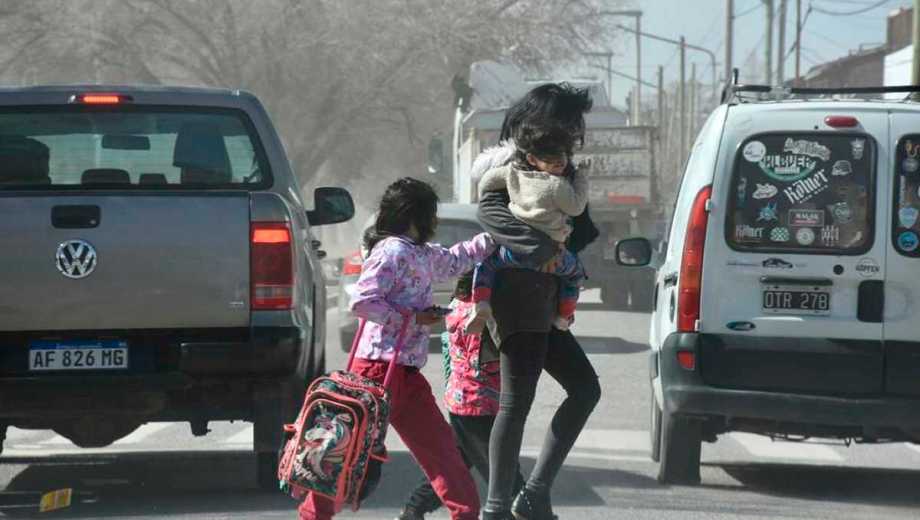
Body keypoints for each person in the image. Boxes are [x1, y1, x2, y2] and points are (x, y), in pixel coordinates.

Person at [298, 177, 494, 520]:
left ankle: (466, 512)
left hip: (404, 373)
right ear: (414, 215)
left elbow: (454, 260)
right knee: (341, 455)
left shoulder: (418, 253)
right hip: (376, 371)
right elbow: (362, 301)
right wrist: (411, 319)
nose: (434, 222)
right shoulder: (391, 250)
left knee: (442, 451)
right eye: (430, 214)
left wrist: (494, 238)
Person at [475, 83, 602, 520]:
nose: (573, 135)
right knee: (515, 403)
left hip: (544, 301)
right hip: (515, 299)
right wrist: (550, 252)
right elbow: (491, 215)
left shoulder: (558, 175)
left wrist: (568, 198)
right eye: (567, 124)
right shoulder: (508, 172)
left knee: (584, 389)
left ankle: (534, 493)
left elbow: (582, 231)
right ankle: (496, 506)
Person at [396, 271, 525, 520]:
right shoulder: (480, 316)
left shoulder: (456, 306)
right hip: (480, 404)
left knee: (453, 464)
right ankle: (522, 509)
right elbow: (493, 356)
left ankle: (413, 509)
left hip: (461, 400)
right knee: (505, 477)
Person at [465, 123, 587, 334]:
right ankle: (564, 315)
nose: (560, 163)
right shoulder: (557, 185)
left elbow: (486, 181)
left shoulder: (512, 173)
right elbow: (576, 207)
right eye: (553, 159)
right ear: (531, 159)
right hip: (553, 258)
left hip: (512, 253)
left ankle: (481, 303)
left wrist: (486, 191)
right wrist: (582, 178)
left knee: (485, 265)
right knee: (575, 274)